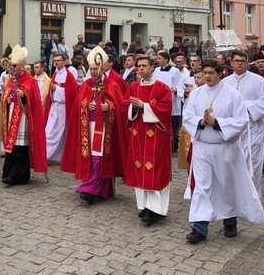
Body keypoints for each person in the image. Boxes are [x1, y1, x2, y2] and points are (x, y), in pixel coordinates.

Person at [182, 60, 264, 244]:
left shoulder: (233, 95)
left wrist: (217, 123)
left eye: (211, 73)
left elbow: (242, 120)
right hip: (203, 147)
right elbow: (187, 116)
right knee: (202, 187)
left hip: (225, 148)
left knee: (226, 186)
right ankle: (199, 227)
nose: (207, 76)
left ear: (221, 73)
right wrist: (201, 122)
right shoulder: (196, 94)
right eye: (205, 73)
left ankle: (230, 222)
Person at [62, 46, 125, 205]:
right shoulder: (86, 84)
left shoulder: (111, 84)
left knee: (99, 157)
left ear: (102, 68)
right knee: (91, 157)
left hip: (104, 127)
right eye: (90, 69)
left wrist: (108, 107)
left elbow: (119, 106)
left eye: (95, 68)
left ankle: (89, 189)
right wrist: (86, 106)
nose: (92, 72)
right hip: (88, 127)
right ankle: (103, 189)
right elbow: (78, 104)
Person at [123, 55, 172, 224]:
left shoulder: (162, 88)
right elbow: (125, 106)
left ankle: (155, 209)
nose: (141, 68)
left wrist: (145, 106)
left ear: (153, 67)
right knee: (139, 169)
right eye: (139, 66)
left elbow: (166, 109)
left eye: (144, 65)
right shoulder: (134, 86)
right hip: (138, 134)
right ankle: (143, 206)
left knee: (154, 169)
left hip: (156, 135)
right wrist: (132, 107)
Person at [223, 49, 264, 195]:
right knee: (232, 162)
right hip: (232, 129)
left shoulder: (258, 80)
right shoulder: (225, 82)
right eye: (237, 61)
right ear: (231, 63)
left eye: (243, 61)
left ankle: (252, 196)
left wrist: (243, 107)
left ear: (247, 63)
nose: (240, 63)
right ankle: (235, 195)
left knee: (253, 162)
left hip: (252, 128)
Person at [0, 45, 47, 186]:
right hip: (12, 115)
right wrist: (7, 100)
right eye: (12, 65)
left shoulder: (29, 80)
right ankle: (9, 173)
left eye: (15, 66)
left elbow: (35, 100)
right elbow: (6, 95)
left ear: (22, 66)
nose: (12, 68)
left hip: (23, 118)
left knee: (20, 146)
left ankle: (18, 175)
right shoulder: (12, 80)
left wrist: (24, 96)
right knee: (12, 146)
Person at [44, 54, 78, 162]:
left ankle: (49, 155)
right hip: (54, 106)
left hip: (63, 107)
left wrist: (56, 89)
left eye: (58, 60)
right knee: (49, 131)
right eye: (55, 60)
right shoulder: (55, 74)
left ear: (64, 62)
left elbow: (72, 93)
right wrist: (53, 89)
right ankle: (47, 154)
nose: (56, 62)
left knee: (56, 132)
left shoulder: (69, 75)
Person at [153, 50, 184, 153]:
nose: (158, 60)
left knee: (173, 124)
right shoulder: (156, 70)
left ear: (166, 60)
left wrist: (176, 89)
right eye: (157, 58)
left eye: (160, 58)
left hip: (172, 99)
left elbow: (180, 84)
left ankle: (173, 145)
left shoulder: (175, 71)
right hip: (159, 99)